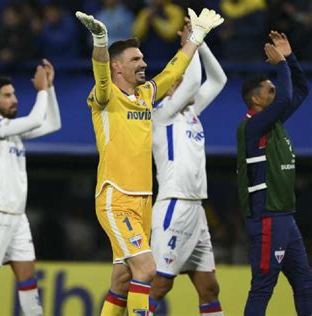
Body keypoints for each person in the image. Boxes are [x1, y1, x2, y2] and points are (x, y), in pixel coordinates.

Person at [75, 8, 223, 315]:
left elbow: (174, 70)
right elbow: (101, 76)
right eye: (135, 60)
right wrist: (100, 41)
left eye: (143, 58)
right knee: (146, 270)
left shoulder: (145, 95)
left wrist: (196, 37)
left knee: (123, 277)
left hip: (144, 200)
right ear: (118, 67)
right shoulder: (105, 98)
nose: (144, 63)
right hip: (116, 197)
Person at [0, 59, 61, 316]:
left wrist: (48, 89)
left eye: (14, 94)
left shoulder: (12, 131)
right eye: (7, 96)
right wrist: (40, 91)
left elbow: (51, 124)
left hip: (17, 216)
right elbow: (36, 118)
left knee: (28, 278)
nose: (14, 99)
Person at [149, 22, 227, 314]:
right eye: (177, 80)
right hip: (173, 205)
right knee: (159, 284)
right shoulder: (161, 114)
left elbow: (218, 80)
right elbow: (194, 79)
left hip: (196, 209)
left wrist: (199, 42)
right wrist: (190, 41)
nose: (183, 83)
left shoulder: (191, 113)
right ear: (170, 88)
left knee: (209, 287)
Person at [237, 31, 312, 316]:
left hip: (284, 216)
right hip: (267, 215)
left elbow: (300, 90)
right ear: (256, 100)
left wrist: (291, 58)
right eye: (270, 90)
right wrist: (281, 65)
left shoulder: (273, 121)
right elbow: (287, 97)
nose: (276, 93)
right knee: (263, 287)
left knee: (305, 284)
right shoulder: (253, 126)